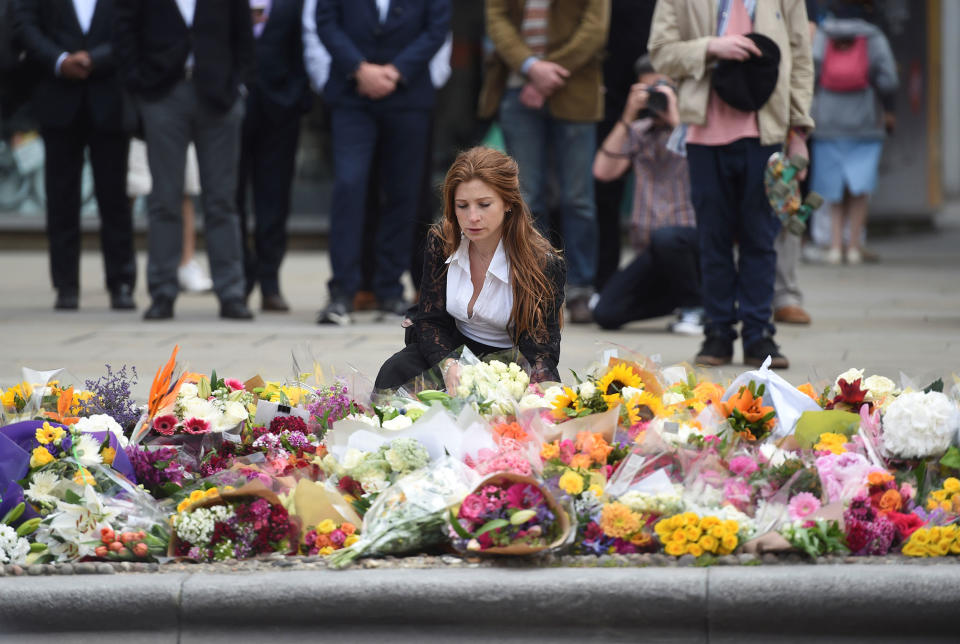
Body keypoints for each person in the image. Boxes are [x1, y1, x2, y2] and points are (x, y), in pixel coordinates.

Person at [648, 0, 815, 369]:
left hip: (767, 131)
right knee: (713, 239)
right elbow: (660, 53)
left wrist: (800, 129)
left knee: (761, 237)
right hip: (703, 132)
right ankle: (718, 333)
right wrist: (710, 47)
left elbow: (801, 58)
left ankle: (759, 334)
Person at [375, 146, 565, 390]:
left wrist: (530, 388)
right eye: (462, 206)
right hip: (452, 347)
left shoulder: (543, 262)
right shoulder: (443, 240)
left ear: (508, 202)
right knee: (396, 371)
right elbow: (431, 320)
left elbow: (541, 351)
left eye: (484, 204)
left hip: (511, 362)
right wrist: (449, 365)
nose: (472, 217)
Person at [114, 0, 255, 321]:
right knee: (164, 199)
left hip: (219, 98)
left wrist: (239, 87)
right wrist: (140, 85)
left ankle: (231, 292)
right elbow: (124, 33)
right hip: (163, 96)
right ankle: (162, 291)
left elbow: (243, 36)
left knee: (222, 200)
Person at [314, 0, 451, 326]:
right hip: (351, 95)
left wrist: (397, 70)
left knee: (403, 192)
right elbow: (326, 20)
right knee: (349, 185)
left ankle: (389, 289)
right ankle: (343, 292)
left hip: (408, 96)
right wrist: (359, 68)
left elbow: (437, 28)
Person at [479, 0, 610, 324]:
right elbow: (496, 20)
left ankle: (579, 290)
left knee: (578, 199)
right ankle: (532, 289)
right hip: (515, 89)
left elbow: (595, 28)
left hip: (574, 88)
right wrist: (530, 67)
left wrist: (547, 71)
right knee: (525, 197)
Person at [14, 0, 136, 312]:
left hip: (108, 98)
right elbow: (25, 24)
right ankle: (66, 285)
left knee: (114, 199)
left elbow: (134, 26)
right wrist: (59, 60)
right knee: (61, 199)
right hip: (57, 98)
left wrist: (96, 58)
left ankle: (121, 283)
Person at [591, 55, 700, 333]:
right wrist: (628, 115)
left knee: (668, 237)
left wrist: (675, 117)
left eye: (662, 88)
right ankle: (691, 303)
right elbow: (603, 171)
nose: (655, 97)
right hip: (652, 251)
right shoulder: (639, 131)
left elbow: (702, 165)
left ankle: (696, 309)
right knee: (605, 312)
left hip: (694, 248)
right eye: (648, 90)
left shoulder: (697, 128)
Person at [238, 0, 312, 313]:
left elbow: (304, 49)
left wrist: (294, 98)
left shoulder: (292, 5)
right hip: (230, 111)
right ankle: (239, 282)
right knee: (230, 200)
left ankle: (269, 282)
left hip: (280, 113)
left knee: (274, 200)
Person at [810, 0, 897, 266]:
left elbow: (809, 73)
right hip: (865, 120)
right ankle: (855, 246)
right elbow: (889, 79)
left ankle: (835, 246)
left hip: (827, 120)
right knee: (860, 189)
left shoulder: (823, 36)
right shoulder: (873, 36)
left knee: (832, 189)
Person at [593, 0, 658, 294]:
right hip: (609, 97)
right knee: (605, 192)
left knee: (664, 186)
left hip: (659, 87)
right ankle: (605, 279)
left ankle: (662, 280)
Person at [771, 0, 822, 326]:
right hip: (720, 109)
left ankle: (784, 293)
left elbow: (806, 40)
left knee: (786, 203)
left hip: (779, 108)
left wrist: (798, 126)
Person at [127, 140, 213, 293]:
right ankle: (120, 265)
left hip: (177, 121)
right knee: (131, 185)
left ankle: (185, 264)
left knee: (183, 188)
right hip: (140, 124)